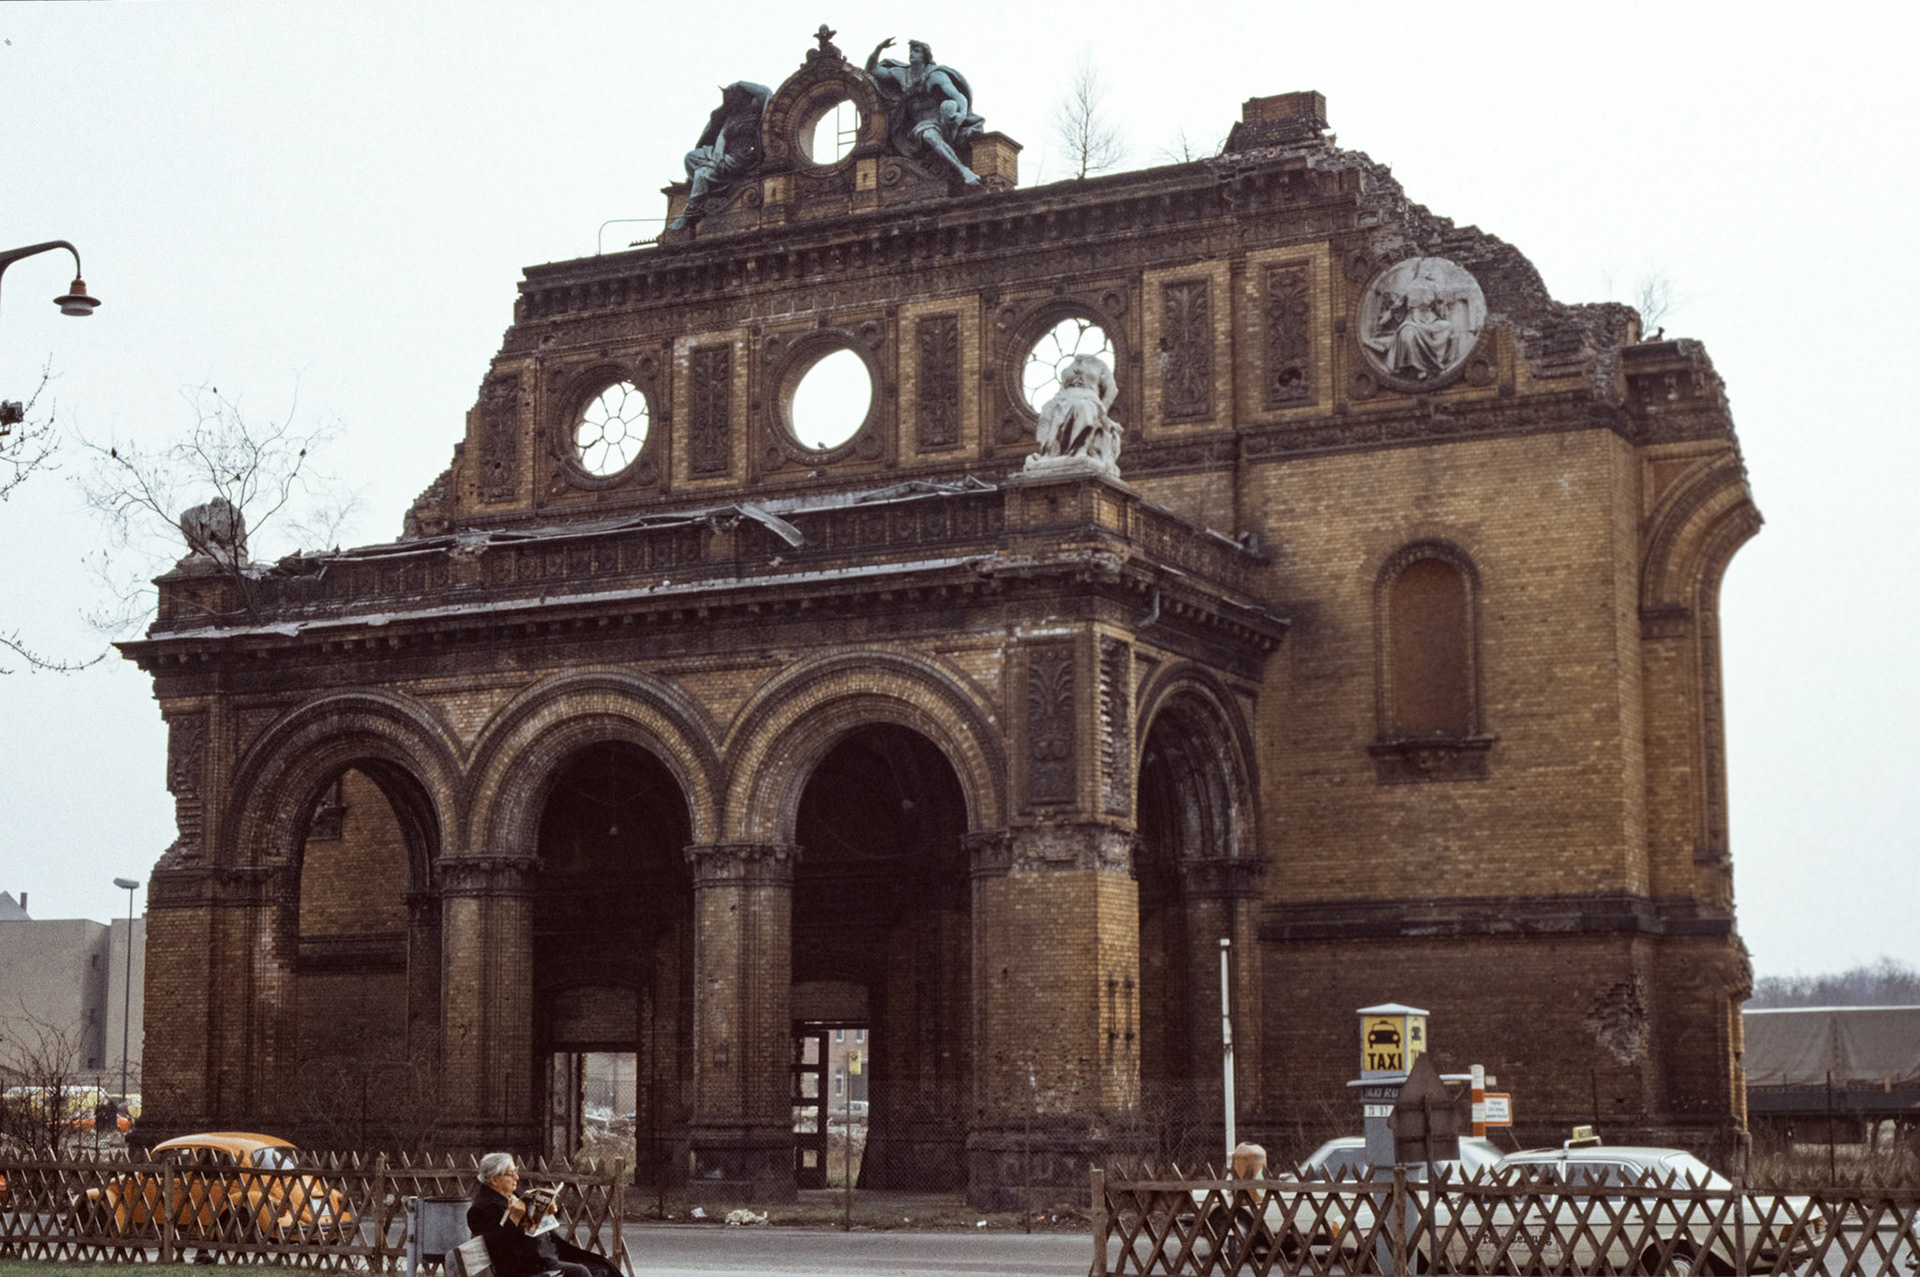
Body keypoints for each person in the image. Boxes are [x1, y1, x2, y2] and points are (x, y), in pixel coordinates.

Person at [467, 1153, 618, 1277]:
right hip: (526, 1266)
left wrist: (548, 1213)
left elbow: (535, 1223)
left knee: (603, 1267)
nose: (517, 1178)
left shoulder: (516, 1192)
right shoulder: (481, 1208)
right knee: (580, 1272)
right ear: (494, 1179)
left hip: (548, 1254)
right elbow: (500, 1248)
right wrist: (514, 1219)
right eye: (510, 1174)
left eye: (516, 1172)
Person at [864, 37, 984, 186]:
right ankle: (963, 170)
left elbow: (958, 96)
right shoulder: (901, 74)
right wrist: (879, 48)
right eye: (911, 51)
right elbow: (872, 69)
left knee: (949, 104)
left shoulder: (935, 76)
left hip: (944, 122)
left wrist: (961, 115)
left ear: (925, 56)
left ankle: (957, 150)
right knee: (929, 134)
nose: (912, 54)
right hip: (920, 127)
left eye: (916, 51)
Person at [668, 81, 772, 232]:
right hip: (725, 154)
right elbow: (722, 137)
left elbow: (765, 92)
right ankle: (713, 170)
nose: (731, 101)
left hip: (742, 156)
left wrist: (741, 83)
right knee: (690, 157)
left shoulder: (755, 109)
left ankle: (688, 214)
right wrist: (718, 157)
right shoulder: (732, 116)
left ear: (742, 95)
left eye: (734, 96)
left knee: (701, 175)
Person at [1030, 353, 1122, 471]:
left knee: (1084, 408)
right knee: (1048, 410)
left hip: (1088, 399)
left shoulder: (1101, 366)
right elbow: (1063, 388)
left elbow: (1112, 390)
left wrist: (1102, 411)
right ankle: (1049, 451)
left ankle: (1079, 449)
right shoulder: (1071, 365)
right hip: (1064, 398)